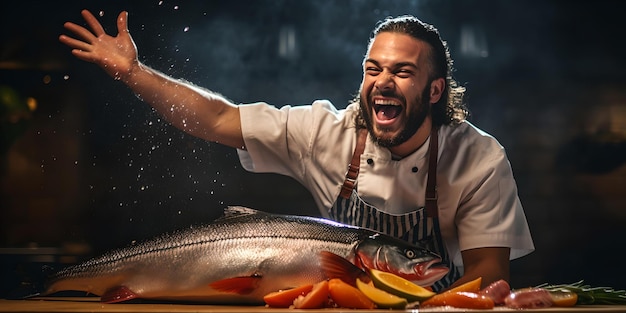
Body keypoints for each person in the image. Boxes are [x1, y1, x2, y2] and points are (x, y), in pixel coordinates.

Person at [59, 9, 534, 291]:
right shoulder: (323, 132)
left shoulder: (478, 158)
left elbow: (488, 277)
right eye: (373, 69)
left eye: (402, 72)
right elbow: (218, 118)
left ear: (434, 91)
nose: (382, 82)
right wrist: (133, 73)